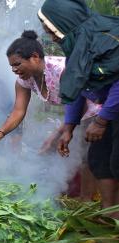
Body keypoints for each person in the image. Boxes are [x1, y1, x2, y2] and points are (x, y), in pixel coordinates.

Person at [0, 30, 100, 199]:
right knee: (74, 153)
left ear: (35, 57)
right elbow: (18, 111)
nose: (14, 70)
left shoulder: (60, 70)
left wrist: (59, 133)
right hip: (78, 114)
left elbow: (79, 103)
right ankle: (79, 197)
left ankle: (89, 204)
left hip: (97, 109)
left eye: (17, 64)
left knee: (90, 157)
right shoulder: (24, 79)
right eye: (11, 66)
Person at [39, 0, 119, 216]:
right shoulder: (80, 45)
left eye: (53, 30)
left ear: (66, 22)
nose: (53, 37)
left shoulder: (107, 37)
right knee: (99, 159)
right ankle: (111, 215)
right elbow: (78, 86)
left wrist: (101, 121)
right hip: (113, 110)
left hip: (112, 109)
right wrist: (69, 127)